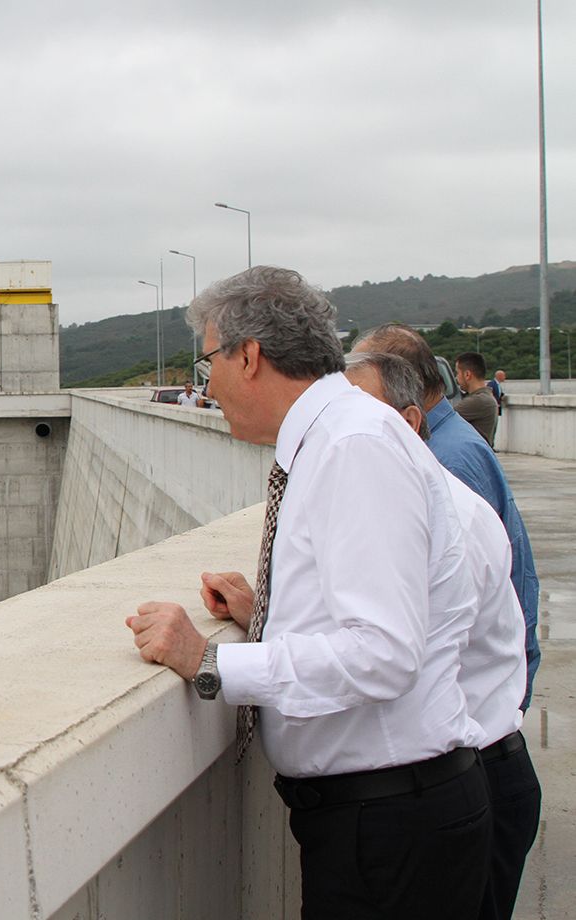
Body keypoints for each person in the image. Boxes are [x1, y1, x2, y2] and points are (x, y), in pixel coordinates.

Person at [125, 267, 490, 920]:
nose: (206, 384)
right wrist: (265, 614)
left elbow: (383, 650)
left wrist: (209, 662)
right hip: (381, 819)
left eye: (208, 361)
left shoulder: (353, 447)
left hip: (390, 828)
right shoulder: (336, 439)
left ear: (249, 355)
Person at [344, 351, 540, 920]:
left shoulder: (444, 490)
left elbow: (390, 651)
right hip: (484, 763)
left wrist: (220, 666)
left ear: (408, 422)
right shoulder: (432, 488)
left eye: (358, 412)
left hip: (477, 767)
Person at [353, 324, 540, 705]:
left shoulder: (447, 459)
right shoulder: (444, 442)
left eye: (360, 392)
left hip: (474, 701)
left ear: (403, 385)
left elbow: (451, 599)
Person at [453, 352, 499, 447]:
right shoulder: (485, 398)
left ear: (467, 374)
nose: (456, 378)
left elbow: (440, 417)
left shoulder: (479, 401)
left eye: (458, 373)